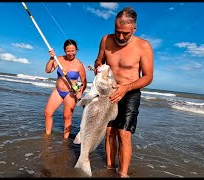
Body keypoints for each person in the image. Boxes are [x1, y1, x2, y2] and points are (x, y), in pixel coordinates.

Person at [94, 7, 153, 178]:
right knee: (109, 132)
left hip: (130, 92)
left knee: (124, 133)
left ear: (134, 28)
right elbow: (99, 59)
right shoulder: (106, 39)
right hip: (108, 91)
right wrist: (98, 64)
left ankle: (123, 174)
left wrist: (126, 88)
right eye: (117, 31)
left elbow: (148, 77)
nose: (120, 37)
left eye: (125, 33)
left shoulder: (143, 46)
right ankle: (109, 168)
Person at [44, 39, 87, 139]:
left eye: (73, 51)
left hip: (70, 93)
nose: (71, 53)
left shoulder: (79, 65)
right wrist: (51, 58)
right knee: (47, 113)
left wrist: (80, 91)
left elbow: (84, 81)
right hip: (58, 91)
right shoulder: (58, 59)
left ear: (76, 50)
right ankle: (47, 136)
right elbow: (48, 70)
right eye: (68, 51)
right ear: (64, 50)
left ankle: (65, 140)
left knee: (67, 117)